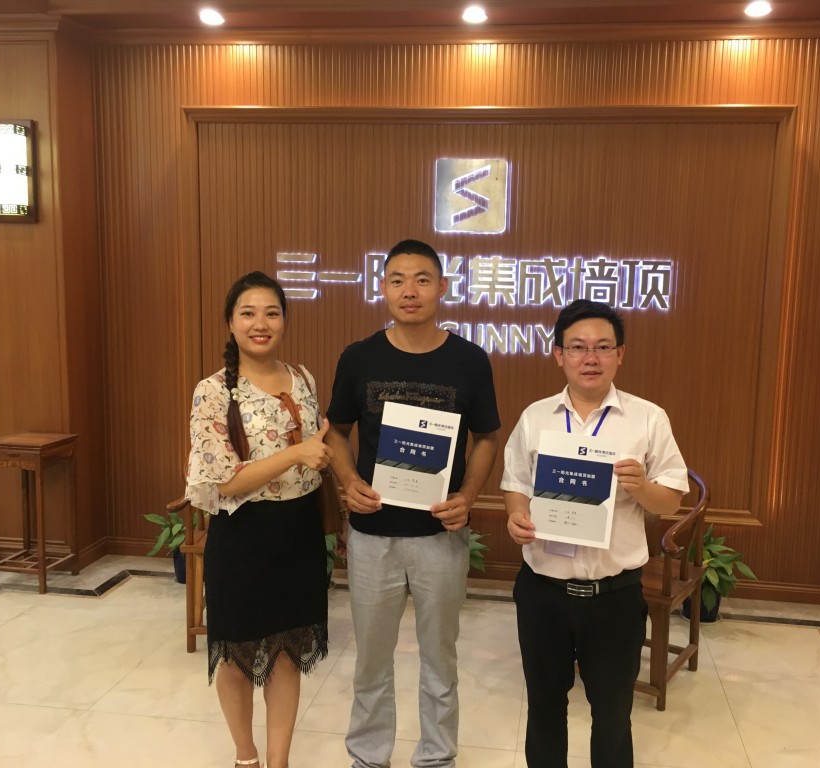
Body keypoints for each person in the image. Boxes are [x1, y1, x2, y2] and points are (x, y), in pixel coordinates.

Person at [324, 239, 501, 768]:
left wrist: (468, 497)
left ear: (442, 287)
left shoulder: (469, 360)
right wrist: (348, 480)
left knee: (439, 659)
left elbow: (487, 438)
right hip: (372, 534)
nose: (410, 291)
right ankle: (368, 757)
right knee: (371, 661)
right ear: (382, 287)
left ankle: (437, 757)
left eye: (422, 279)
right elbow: (335, 432)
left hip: (440, 536)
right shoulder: (358, 358)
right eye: (397, 279)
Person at [501, 299, 689, 768]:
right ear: (558, 354)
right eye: (578, 347)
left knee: (612, 715)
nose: (591, 358)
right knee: (544, 707)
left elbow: (672, 500)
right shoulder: (536, 417)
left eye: (603, 347)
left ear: (620, 354)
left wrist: (641, 486)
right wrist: (516, 515)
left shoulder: (648, 418)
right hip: (544, 592)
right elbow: (515, 483)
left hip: (614, 596)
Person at [185, 271, 334, 768]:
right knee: (236, 653)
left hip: (299, 534)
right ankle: (246, 757)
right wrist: (297, 454)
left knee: (287, 650)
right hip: (243, 536)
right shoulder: (212, 391)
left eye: (271, 312)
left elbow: (319, 448)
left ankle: (279, 761)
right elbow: (224, 482)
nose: (260, 323)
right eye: (248, 313)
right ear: (230, 322)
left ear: (285, 320)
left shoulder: (303, 378)